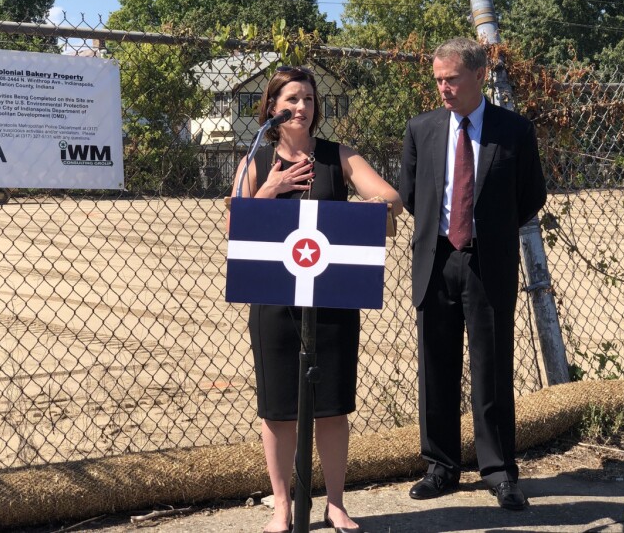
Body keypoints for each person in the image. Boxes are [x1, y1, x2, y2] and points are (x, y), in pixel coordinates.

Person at [227, 65, 402, 533]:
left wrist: (375, 206)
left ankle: (336, 503)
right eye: (291, 99)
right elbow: (235, 225)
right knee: (278, 408)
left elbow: (390, 197)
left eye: (307, 98)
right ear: (271, 108)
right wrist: (273, 188)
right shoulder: (255, 162)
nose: (300, 107)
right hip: (275, 304)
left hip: (332, 299)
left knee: (331, 407)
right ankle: (282, 505)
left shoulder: (338, 157)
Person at [398, 37, 547, 510]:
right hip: (437, 261)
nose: (443, 88)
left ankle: (500, 471)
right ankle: (440, 466)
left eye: (452, 79)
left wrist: (492, 229)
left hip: (488, 262)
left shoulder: (514, 131)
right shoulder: (420, 129)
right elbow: (410, 194)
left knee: (493, 369)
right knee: (436, 368)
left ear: (479, 75)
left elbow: (531, 196)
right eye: (438, 79)